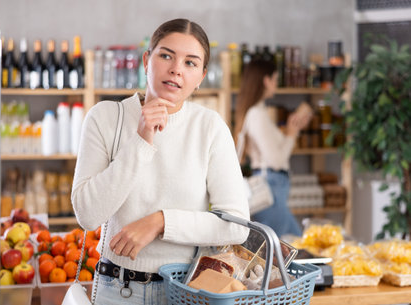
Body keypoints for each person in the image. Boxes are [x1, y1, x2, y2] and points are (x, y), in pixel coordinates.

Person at [71, 18, 249, 305]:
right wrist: (141, 140)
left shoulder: (209, 127)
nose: (176, 69)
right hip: (117, 289)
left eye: (190, 63)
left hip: (184, 291)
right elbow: (88, 215)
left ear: (201, 76)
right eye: (166, 55)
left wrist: (161, 222)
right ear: (146, 60)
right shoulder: (105, 117)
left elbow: (237, 226)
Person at [235, 58, 311, 238]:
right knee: (293, 245)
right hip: (270, 187)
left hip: (272, 186)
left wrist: (294, 131)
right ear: (266, 80)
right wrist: (292, 133)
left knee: (284, 247)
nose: (276, 84)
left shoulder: (256, 112)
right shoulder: (257, 115)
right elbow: (276, 160)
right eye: (276, 79)